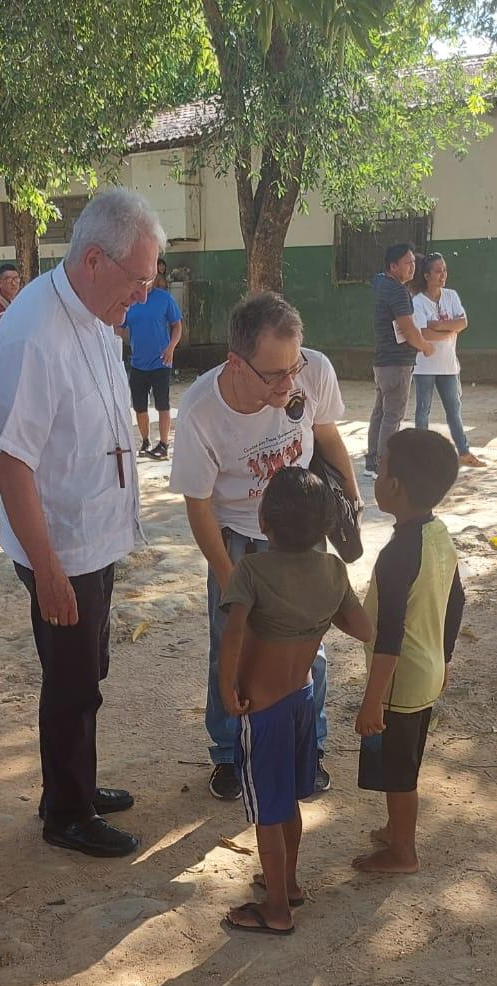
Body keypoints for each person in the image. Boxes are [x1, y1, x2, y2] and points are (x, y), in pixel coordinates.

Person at [0, 188, 165, 858]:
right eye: (138, 282)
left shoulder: (91, 312)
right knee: (70, 682)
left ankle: (77, 784)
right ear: (95, 259)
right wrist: (50, 568)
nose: (142, 298)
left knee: (88, 670)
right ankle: (66, 811)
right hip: (59, 544)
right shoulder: (35, 334)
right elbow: (11, 464)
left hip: (94, 537)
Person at [170, 291, 361, 801]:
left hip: (301, 533)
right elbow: (199, 506)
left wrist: (352, 502)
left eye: (294, 367)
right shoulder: (201, 412)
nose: (290, 383)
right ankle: (231, 754)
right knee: (228, 648)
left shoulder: (312, 371)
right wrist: (232, 580)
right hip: (235, 534)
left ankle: (308, 745)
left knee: (310, 645)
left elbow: (328, 435)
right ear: (236, 362)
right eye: (274, 374)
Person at [218, 468, 372, 934]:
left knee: (268, 809)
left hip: (261, 709)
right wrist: (317, 617)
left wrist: (227, 686)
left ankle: (278, 909)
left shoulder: (252, 569)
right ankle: (289, 881)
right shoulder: (332, 570)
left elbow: (234, 631)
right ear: (324, 525)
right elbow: (363, 628)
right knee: (289, 801)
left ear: (264, 520)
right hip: (304, 698)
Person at [354, 427, 465, 875]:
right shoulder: (438, 535)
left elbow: (390, 634)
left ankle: (403, 851)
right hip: (427, 669)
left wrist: (372, 699)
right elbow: (456, 600)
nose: (377, 477)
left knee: (399, 770)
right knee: (404, 759)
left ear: (394, 486)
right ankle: (394, 829)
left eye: (380, 469)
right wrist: (447, 658)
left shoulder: (398, 553)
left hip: (399, 682)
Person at [365, 243, 434, 478]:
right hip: (396, 363)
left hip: (383, 361)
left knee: (381, 412)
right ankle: (384, 466)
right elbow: (408, 328)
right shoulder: (397, 291)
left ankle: (372, 462)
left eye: (414, 262)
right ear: (393, 266)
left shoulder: (380, 283)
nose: (412, 267)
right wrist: (424, 346)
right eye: (407, 263)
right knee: (392, 415)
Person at [412, 253, 483, 467]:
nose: (443, 275)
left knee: (454, 409)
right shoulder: (417, 301)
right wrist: (448, 329)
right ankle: (421, 454)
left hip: (449, 366)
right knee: (423, 410)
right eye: (438, 271)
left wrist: (438, 326)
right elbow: (424, 333)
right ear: (426, 275)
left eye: (444, 270)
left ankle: (464, 451)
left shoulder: (451, 296)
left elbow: (463, 322)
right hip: (424, 366)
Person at [122, 256, 182, 460]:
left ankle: (164, 444)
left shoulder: (165, 299)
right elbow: (118, 328)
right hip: (138, 362)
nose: (144, 282)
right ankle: (146, 440)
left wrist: (171, 347)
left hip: (161, 362)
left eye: (148, 277)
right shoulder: (130, 301)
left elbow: (177, 325)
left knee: (163, 404)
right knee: (139, 406)